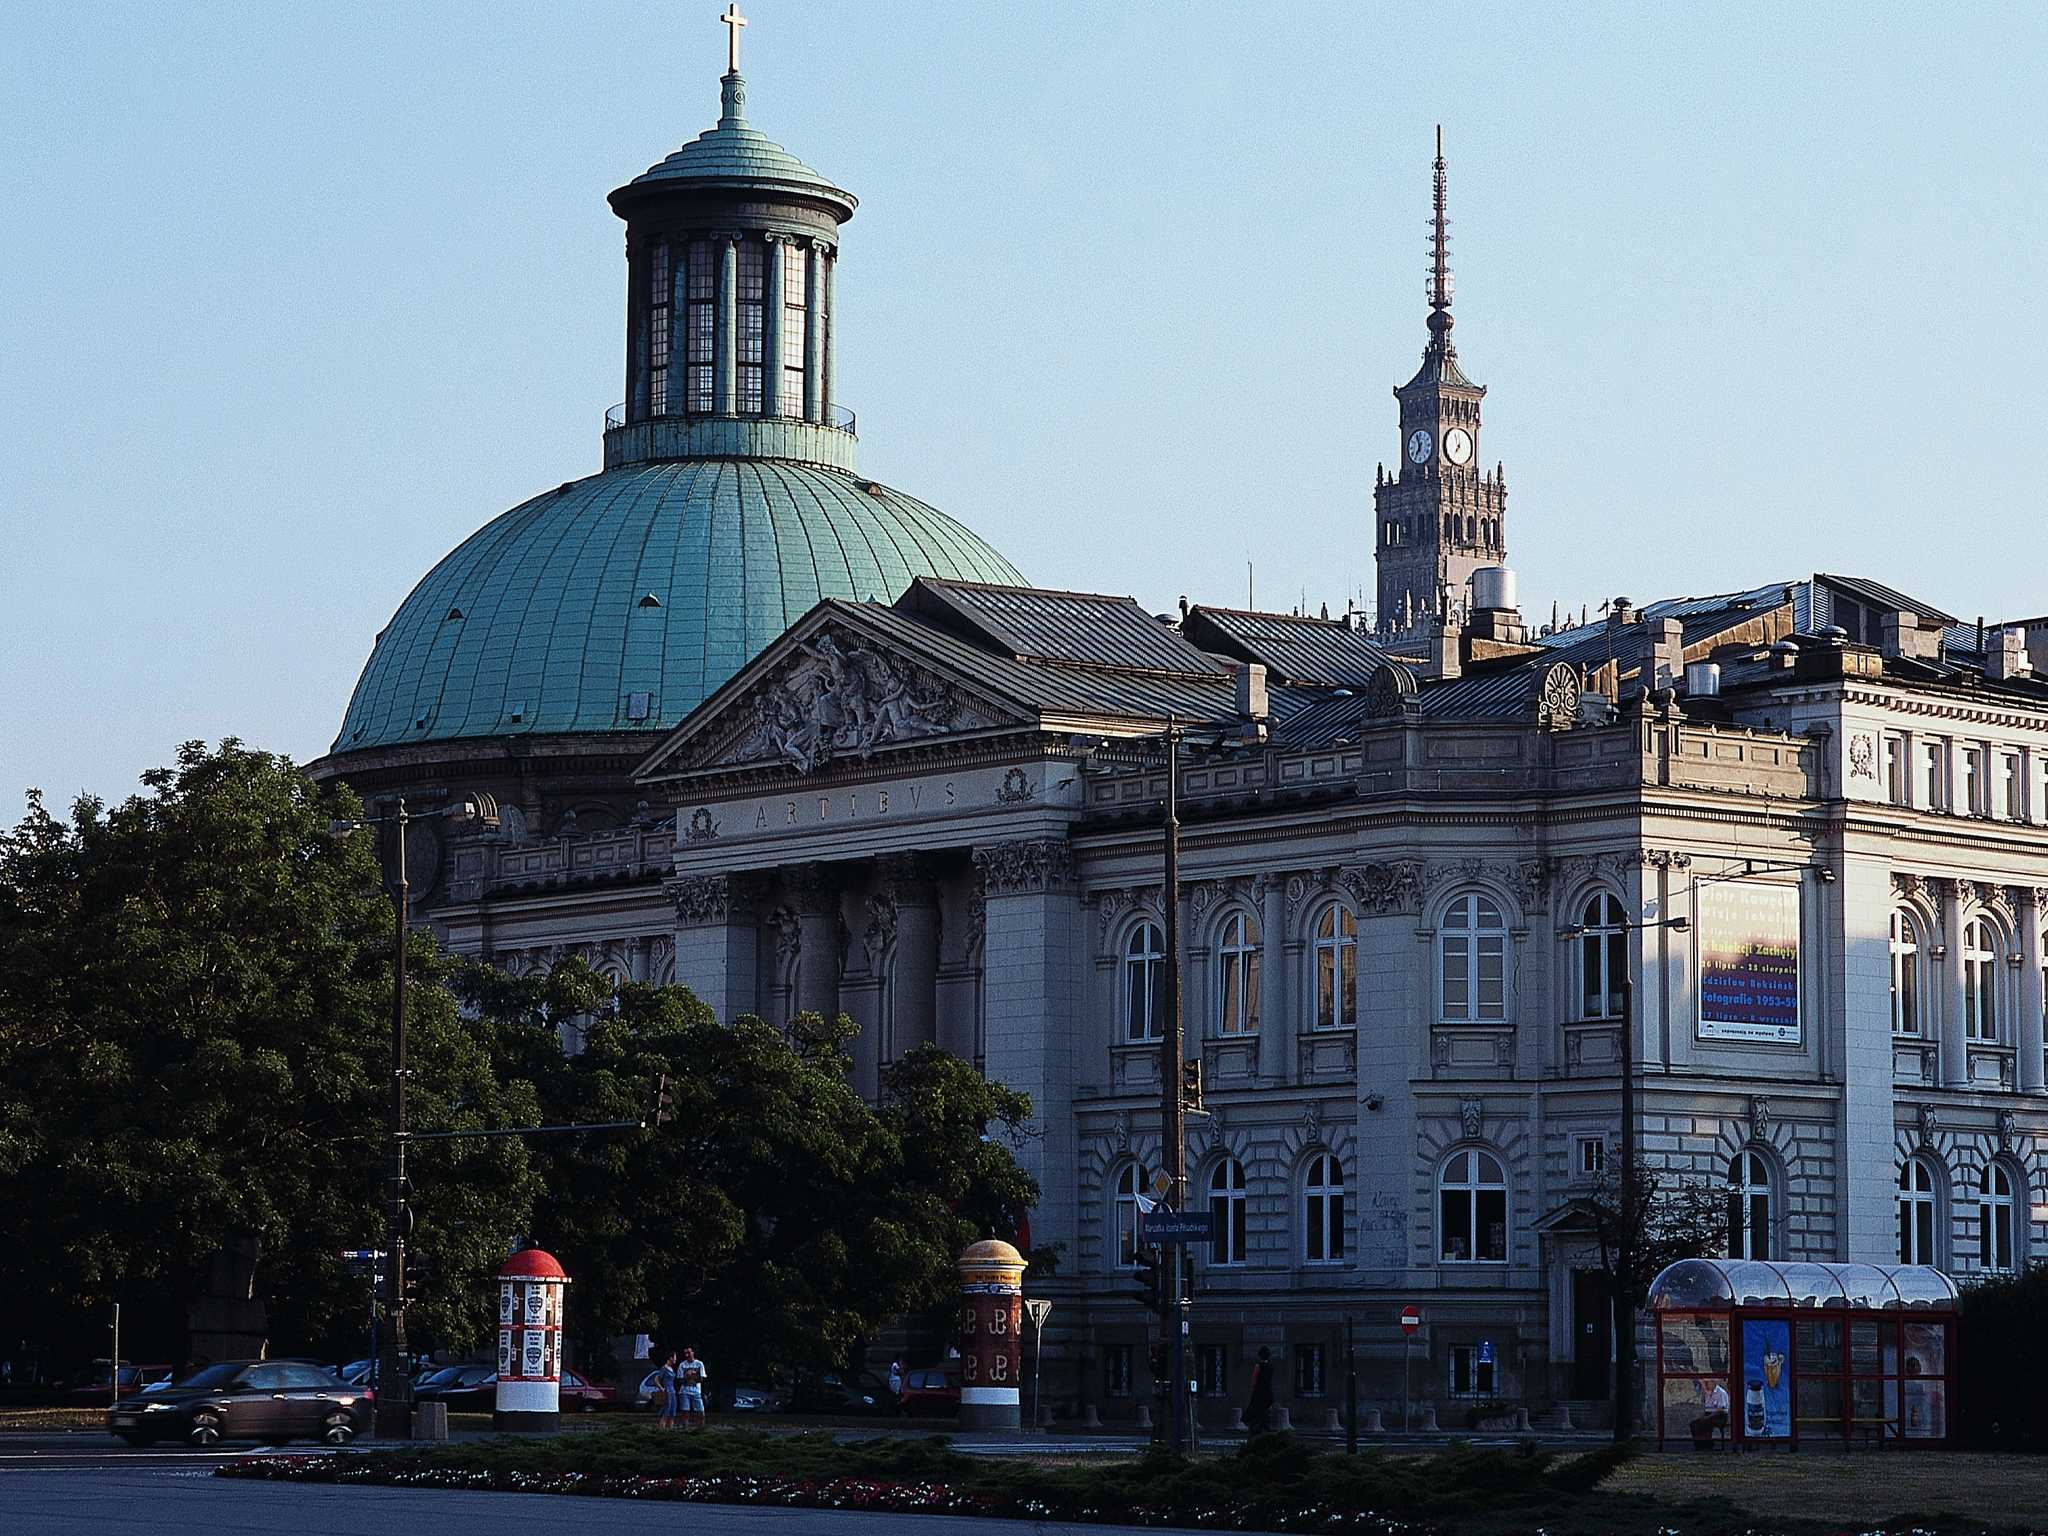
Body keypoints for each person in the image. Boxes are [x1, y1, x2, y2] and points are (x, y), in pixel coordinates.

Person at [1690, 1379, 1730, 1451]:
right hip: (1709, 1414)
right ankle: (1699, 1445)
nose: (1706, 1385)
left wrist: (1708, 1417)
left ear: (1713, 1382)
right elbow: (1707, 1407)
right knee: (1694, 1424)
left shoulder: (1721, 1393)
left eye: (1707, 1383)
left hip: (1720, 1416)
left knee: (1706, 1422)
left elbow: (1721, 1410)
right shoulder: (1707, 1393)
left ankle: (1708, 1445)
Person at [677, 1346, 708, 1431]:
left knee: (700, 1411)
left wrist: (692, 1377)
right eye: (685, 1353)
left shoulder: (699, 1364)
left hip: (696, 1391)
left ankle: (701, 1429)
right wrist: (688, 1377)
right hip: (684, 1391)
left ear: (693, 1353)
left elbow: (702, 1378)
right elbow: (680, 1379)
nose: (687, 1355)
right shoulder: (682, 1365)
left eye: (689, 1353)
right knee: (685, 1411)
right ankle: (685, 1429)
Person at [1245, 1346, 1274, 1434]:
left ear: (1260, 1356)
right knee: (1266, 1415)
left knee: (1256, 1415)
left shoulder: (1258, 1366)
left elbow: (1254, 1381)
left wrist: (1253, 1391)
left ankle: (1256, 1434)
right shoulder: (1271, 1366)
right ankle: (1266, 1433)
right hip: (1268, 1393)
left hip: (1259, 1393)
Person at [653, 1349, 678, 1429]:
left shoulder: (672, 1369)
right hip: (667, 1391)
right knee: (666, 1413)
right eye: (674, 1357)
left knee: (672, 1413)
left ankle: (670, 1432)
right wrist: (661, 1388)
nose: (675, 1359)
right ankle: (661, 1431)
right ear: (670, 1358)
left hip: (673, 1391)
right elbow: (656, 1379)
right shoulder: (664, 1368)